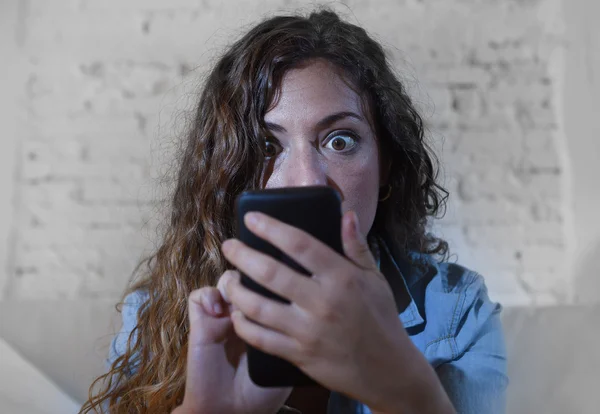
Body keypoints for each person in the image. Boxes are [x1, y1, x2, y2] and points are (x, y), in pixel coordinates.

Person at [80, 7, 508, 414]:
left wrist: (403, 388)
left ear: (386, 166)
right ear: (225, 174)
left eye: (339, 140)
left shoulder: (458, 310)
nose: (307, 180)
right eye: (268, 146)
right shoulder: (157, 314)